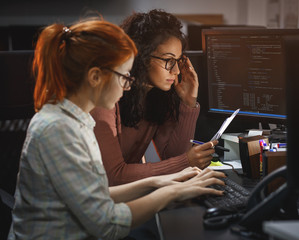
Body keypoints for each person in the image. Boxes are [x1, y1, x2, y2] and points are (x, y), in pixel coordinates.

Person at [8, 18, 225, 240]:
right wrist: (173, 191)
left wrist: (159, 182)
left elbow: (96, 194)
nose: (128, 85)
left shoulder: (77, 121)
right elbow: (107, 223)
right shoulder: (59, 131)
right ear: (95, 77)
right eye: (123, 76)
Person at [91, 9, 216, 186]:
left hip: (127, 196)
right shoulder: (106, 99)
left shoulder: (158, 96)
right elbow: (113, 176)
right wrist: (186, 162)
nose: (176, 71)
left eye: (178, 61)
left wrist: (188, 103)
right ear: (141, 56)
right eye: (168, 60)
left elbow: (172, 158)